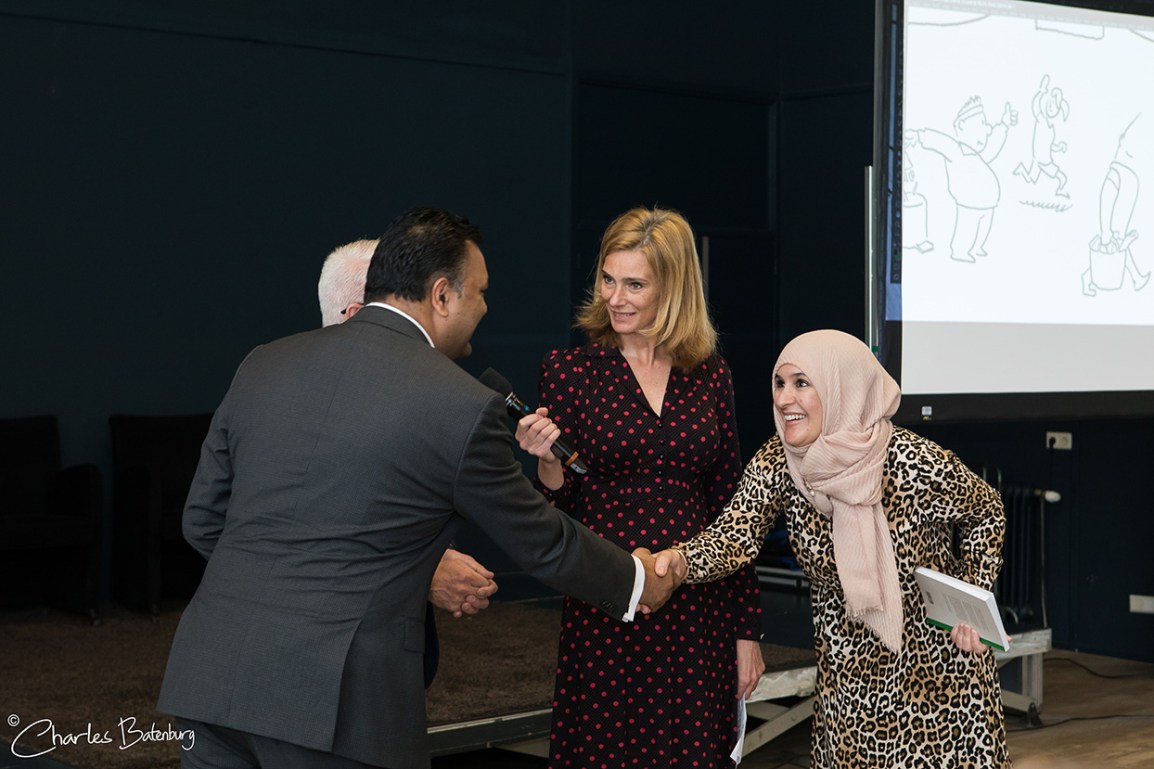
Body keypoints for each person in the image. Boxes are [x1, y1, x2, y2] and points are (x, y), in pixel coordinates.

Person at [158, 206, 677, 769]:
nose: (484, 307)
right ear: (442, 295)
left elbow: (204, 521)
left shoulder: (264, 364)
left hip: (211, 679)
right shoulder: (457, 404)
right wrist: (637, 582)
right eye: (479, 292)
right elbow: (541, 540)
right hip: (334, 705)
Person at [655, 329, 1010, 768]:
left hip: (935, 681)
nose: (785, 398)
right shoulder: (778, 462)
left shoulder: (911, 461)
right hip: (849, 690)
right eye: (779, 383)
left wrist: (969, 599)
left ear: (842, 386)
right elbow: (734, 535)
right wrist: (679, 561)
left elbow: (987, 511)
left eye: (802, 383)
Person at [515, 206, 764, 768]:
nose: (614, 297)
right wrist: (545, 463)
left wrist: (747, 632)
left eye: (635, 284)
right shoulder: (571, 370)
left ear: (672, 289)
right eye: (608, 279)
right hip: (608, 598)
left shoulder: (710, 375)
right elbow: (558, 502)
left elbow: (734, 509)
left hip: (698, 601)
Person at [318, 238, 499, 691]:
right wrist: (427, 570)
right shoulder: (304, 405)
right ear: (361, 315)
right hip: (334, 670)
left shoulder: (416, 400)